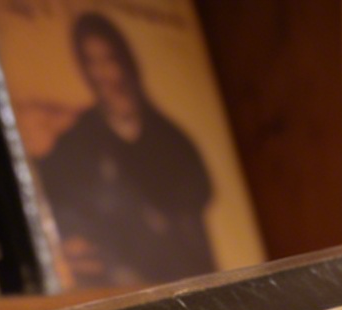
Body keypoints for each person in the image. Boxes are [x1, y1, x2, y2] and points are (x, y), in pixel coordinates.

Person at [38, 12, 215, 288]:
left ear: (125, 62)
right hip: (116, 286)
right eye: (91, 62)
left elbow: (195, 194)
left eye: (108, 59)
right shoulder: (77, 140)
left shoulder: (166, 135)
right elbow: (52, 189)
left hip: (181, 280)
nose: (102, 74)